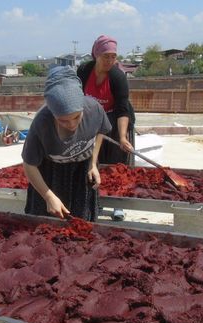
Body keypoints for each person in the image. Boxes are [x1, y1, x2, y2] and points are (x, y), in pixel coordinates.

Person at [22, 66, 112, 221]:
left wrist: (93, 163)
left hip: (81, 172)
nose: (71, 124)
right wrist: (48, 196)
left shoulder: (94, 109)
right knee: (46, 227)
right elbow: (29, 164)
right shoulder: (41, 123)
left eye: (77, 117)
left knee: (81, 224)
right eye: (63, 120)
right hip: (51, 175)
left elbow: (101, 130)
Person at [77, 34, 136, 221]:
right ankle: (97, 201)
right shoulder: (84, 71)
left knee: (117, 165)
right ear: (96, 55)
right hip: (91, 120)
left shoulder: (118, 77)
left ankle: (118, 205)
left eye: (113, 56)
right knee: (93, 162)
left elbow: (122, 108)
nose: (110, 60)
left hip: (116, 120)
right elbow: (77, 99)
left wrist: (123, 137)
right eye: (106, 56)